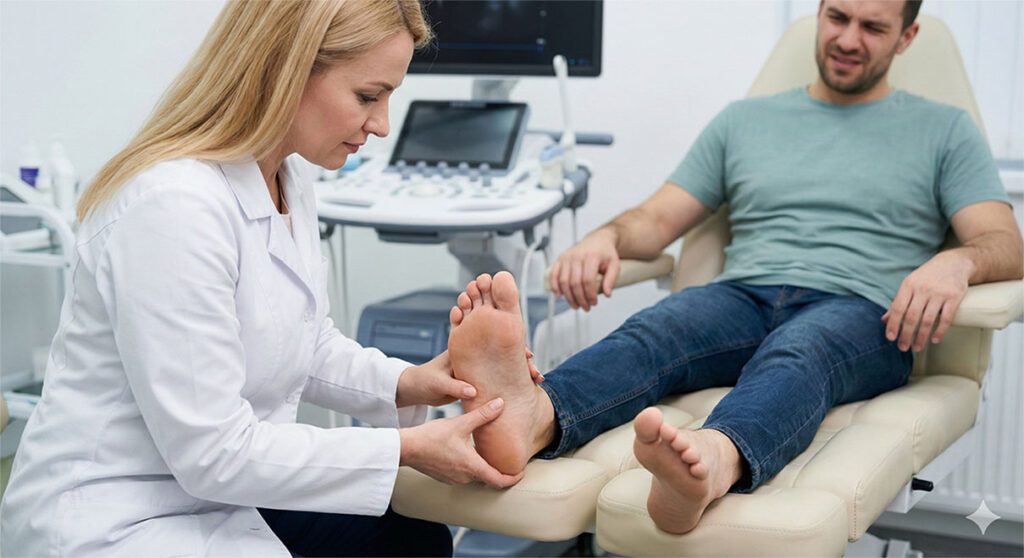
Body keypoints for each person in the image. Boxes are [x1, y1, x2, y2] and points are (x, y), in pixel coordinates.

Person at [444, 0, 1024, 536]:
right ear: (819, 13)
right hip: (743, 294)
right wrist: (607, 237)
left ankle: (711, 462)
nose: (848, 39)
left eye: (872, 27)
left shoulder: (944, 130)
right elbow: (656, 218)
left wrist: (957, 261)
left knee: (802, 349)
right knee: (657, 329)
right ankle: (534, 417)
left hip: (862, 310)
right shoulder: (745, 121)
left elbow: (1004, 242)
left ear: (907, 36)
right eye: (837, 17)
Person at [0, 2, 540, 556]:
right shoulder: (172, 208)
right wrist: (405, 448)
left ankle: (535, 413)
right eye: (367, 96)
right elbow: (212, 453)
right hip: (115, 514)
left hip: (217, 492)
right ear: (287, 69)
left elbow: (304, 341)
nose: (381, 124)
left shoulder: (286, 177)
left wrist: (408, 382)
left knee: (413, 541)